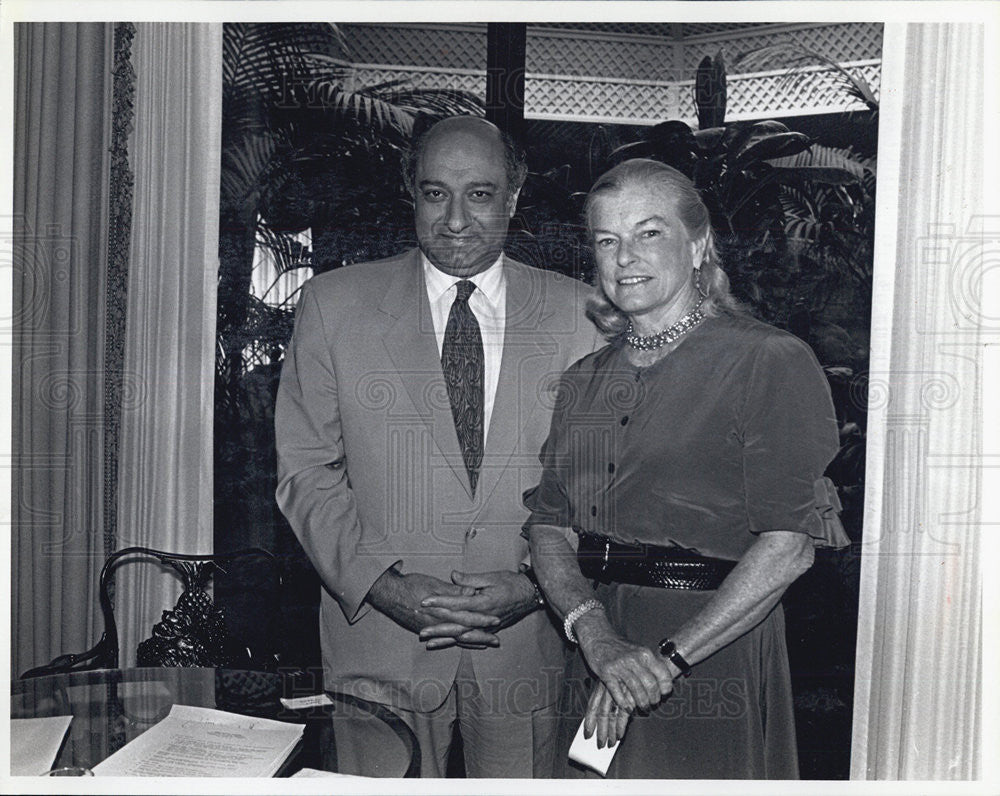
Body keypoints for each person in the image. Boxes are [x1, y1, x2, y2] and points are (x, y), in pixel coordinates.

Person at [275, 116, 599, 777]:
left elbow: (601, 486)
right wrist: (386, 587)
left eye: (479, 194)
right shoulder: (333, 305)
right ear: (410, 193)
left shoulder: (582, 317)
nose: (455, 219)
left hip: (524, 649)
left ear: (513, 195)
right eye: (434, 193)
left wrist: (537, 586)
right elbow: (307, 474)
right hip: (381, 643)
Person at [524, 159, 848, 778]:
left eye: (649, 234)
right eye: (607, 240)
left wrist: (663, 663)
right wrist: (596, 637)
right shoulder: (586, 382)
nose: (625, 258)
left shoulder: (767, 361)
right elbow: (550, 527)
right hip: (595, 647)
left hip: (706, 656)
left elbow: (788, 549)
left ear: (698, 247)